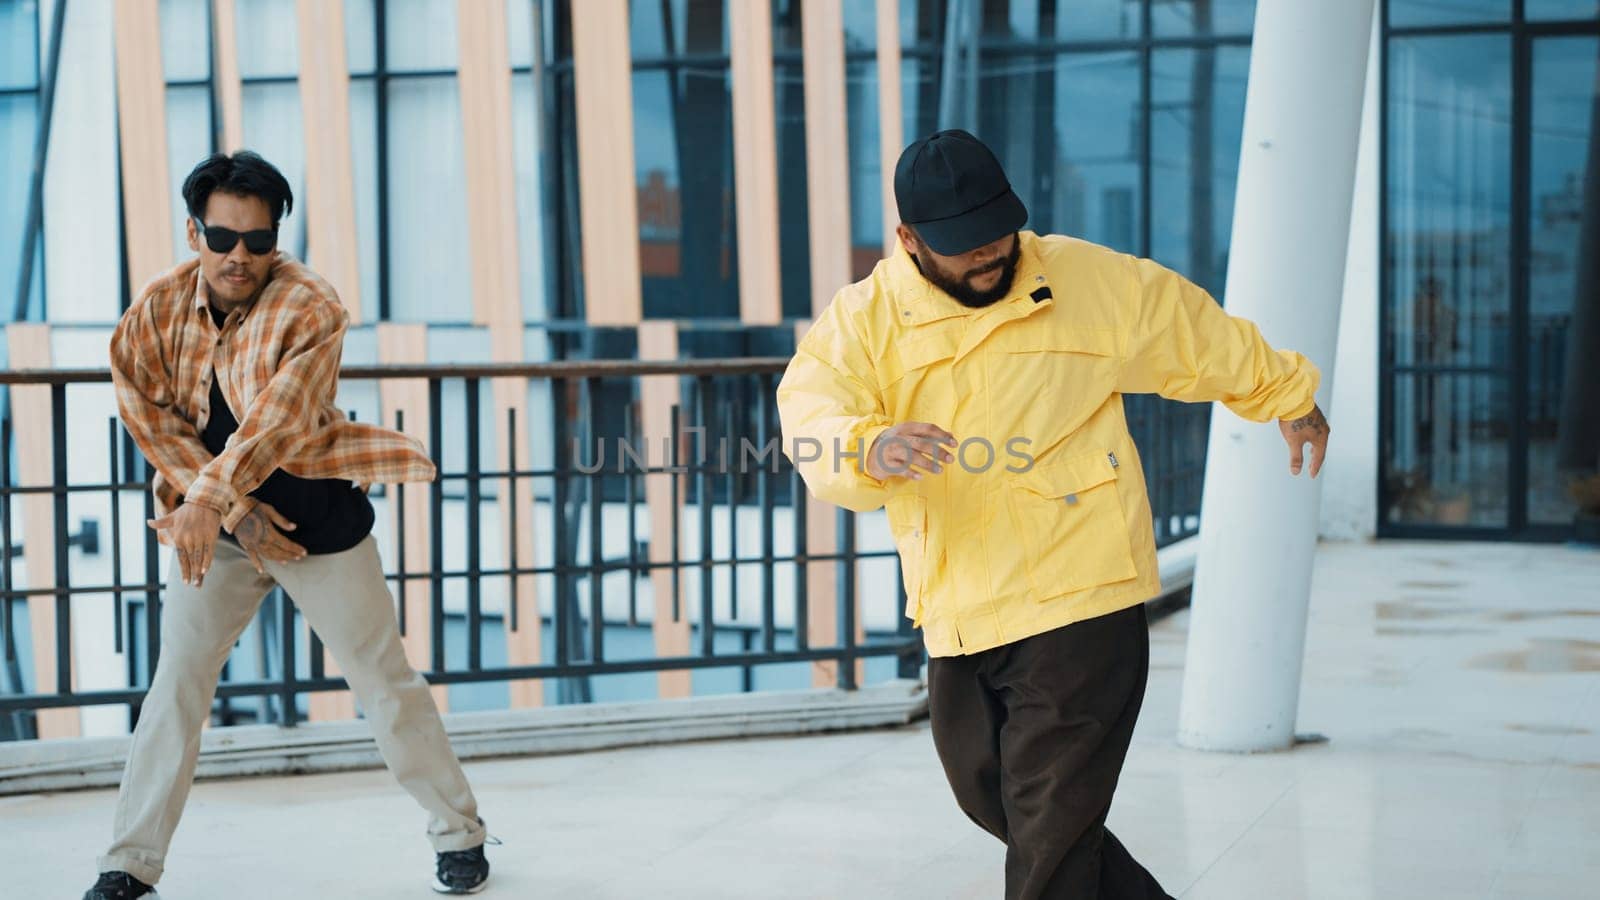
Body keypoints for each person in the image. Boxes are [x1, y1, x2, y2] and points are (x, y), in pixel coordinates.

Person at [776, 129, 1330, 900]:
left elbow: (1191, 332)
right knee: (998, 797)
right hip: (962, 603)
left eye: (997, 231)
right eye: (964, 244)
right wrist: (863, 449)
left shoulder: (1083, 280)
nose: (989, 253)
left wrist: (1287, 395)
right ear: (909, 240)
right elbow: (808, 411)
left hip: (1082, 594)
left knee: (1049, 842)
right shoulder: (864, 322)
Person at [86, 151, 492, 898]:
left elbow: (275, 425)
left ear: (276, 238)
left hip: (314, 516)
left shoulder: (312, 306)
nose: (239, 256)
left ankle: (461, 835)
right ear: (192, 232)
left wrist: (213, 504)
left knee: (384, 682)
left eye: (258, 240)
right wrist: (232, 515)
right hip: (221, 530)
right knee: (175, 684)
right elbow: (150, 422)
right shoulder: (154, 312)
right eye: (222, 237)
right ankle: (128, 862)